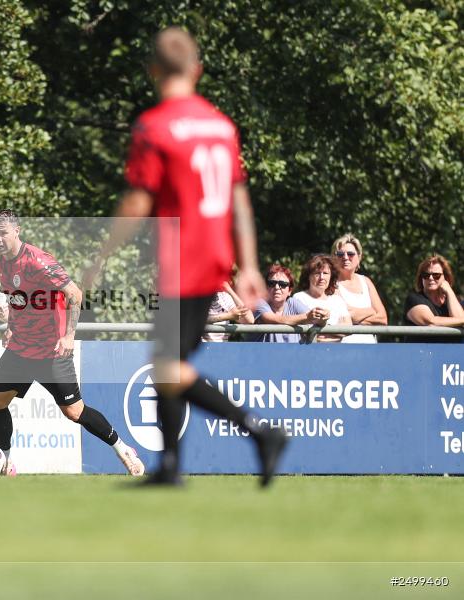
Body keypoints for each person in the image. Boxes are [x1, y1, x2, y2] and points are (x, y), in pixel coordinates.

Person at [82, 27, 287, 486]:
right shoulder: (221, 125)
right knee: (167, 359)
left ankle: (258, 432)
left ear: (153, 71)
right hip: (215, 257)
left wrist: (97, 258)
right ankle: (170, 466)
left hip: (184, 258)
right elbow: (239, 200)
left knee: (168, 366)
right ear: (198, 69)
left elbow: (137, 203)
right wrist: (249, 265)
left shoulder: (155, 126)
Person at [0, 209, 144, 476]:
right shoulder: (1, 262)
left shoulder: (38, 261)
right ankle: (4, 464)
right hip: (21, 348)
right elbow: (17, 298)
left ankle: (122, 448)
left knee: (74, 411)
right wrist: (11, 327)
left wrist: (69, 335)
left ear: (17, 231)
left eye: (3, 233)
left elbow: (75, 294)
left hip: (51, 351)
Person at [333, 233, 387, 343]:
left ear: (359, 257)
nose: (345, 257)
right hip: (343, 349)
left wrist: (352, 318)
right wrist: (370, 311)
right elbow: (342, 315)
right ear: (334, 258)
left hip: (370, 349)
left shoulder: (366, 281)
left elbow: (383, 319)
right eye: (340, 254)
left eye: (350, 254)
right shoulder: (331, 284)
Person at [249, 264, 323, 343]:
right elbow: (275, 319)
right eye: (272, 283)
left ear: (290, 291)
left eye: (283, 284)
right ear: (266, 288)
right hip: (262, 354)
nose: (277, 287)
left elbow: (315, 319)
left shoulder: (293, 303)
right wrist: (307, 317)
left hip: (292, 354)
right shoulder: (259, 303)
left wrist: (323, 317)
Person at [403, 255, 464, 343]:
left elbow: (460, 320)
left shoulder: (452, 301)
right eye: (426, 275)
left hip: (450, 354)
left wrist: (449, 292)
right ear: (421, 278)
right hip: (420, 354)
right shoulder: (413, 299)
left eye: (436, 275)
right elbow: (431, 322)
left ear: (445, 277)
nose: (431, 278)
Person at [292, 254, 352, 343]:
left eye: (325, 273)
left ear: (331, 276)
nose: (322, 277)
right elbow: (302, 331)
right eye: (317, 273)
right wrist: (336, 331)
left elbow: (348, 329)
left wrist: (323, 331)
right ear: (308, 276)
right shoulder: (299, 298)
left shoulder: (337, 300)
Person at [202, 270, 253, 342]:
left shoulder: (225, 297)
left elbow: (249, 320)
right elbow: (198, 321)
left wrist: (229, 290)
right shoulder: (197, 297)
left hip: (222, 349)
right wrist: (228, 316)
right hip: (202, 350)